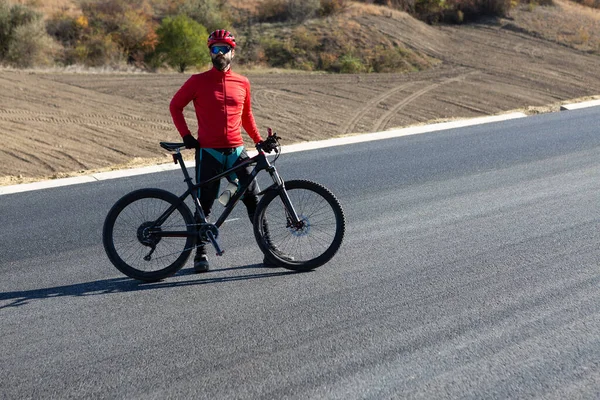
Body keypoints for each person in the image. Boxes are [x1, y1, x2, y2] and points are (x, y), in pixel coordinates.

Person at [169, 29, 266, 273]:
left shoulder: (243, 82)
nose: (219, 53)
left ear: (233, 52)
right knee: (204, 204)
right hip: (209, 152)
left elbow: (247, 116)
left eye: (224, 49)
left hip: (237, 150)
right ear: (210, 52)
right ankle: (200, 254)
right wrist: (187, 136)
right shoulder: (197, 81)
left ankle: (269, 249)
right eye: (215, 49)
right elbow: (175, 106)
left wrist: (259, 140)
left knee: (253, 200)